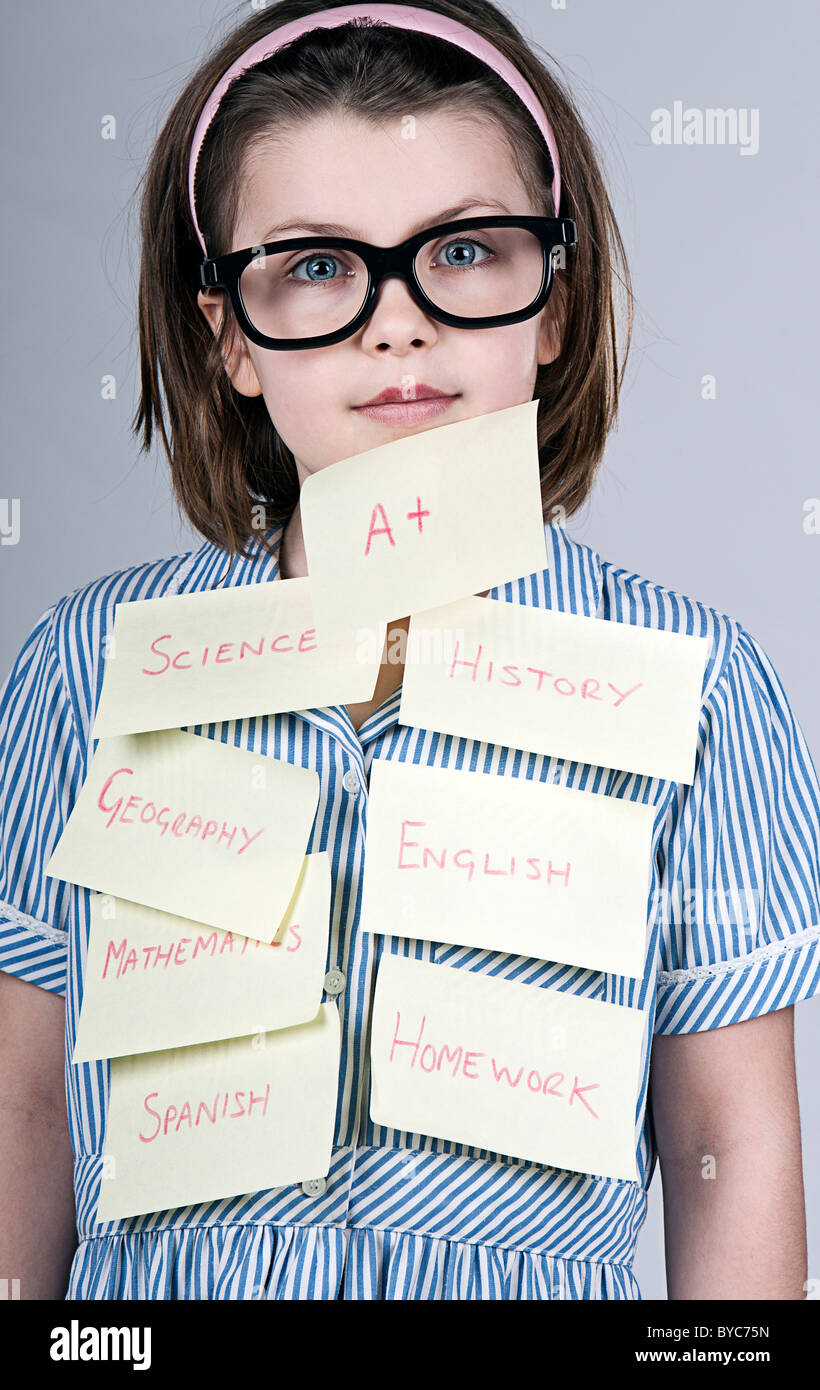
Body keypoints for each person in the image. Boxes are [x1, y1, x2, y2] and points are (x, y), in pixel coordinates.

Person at [1, 0, 818, 1302]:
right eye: (318, 264)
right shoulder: (83, 668)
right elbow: (29, 1113)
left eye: (467, 250)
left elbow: (730, 1143)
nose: (397, 323)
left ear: (554, 303)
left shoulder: (698, 685)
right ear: (228, 337)